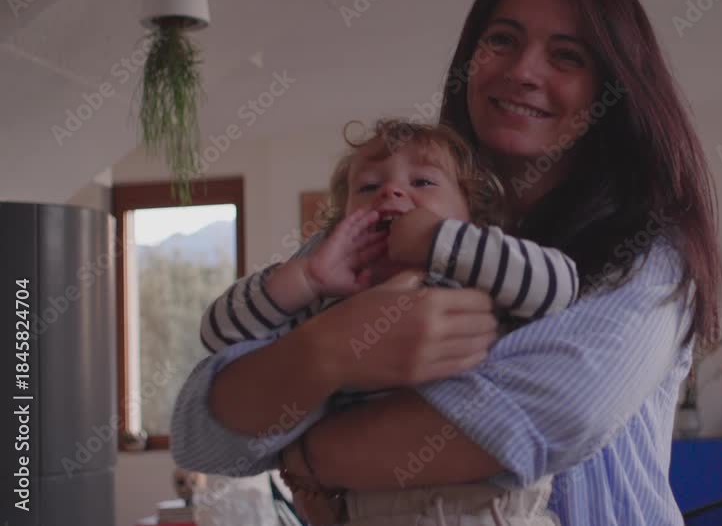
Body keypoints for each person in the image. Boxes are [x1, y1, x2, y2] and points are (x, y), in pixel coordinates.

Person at [170, 0, 722, 524]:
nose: (523, 71)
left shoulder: (648, 252)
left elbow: (544, 415)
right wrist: (333, 346)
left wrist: (306, 457)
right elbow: (204, 434)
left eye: (567, 55)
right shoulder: (362, 238)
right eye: (502, 40)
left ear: (611, 89)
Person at [198, 118, 577, 524]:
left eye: (423, 182)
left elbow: (558, 287)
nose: (391, 191)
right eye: (367, 187)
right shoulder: (335, 294)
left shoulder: (483, 273)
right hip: (371, 508)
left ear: (472, 217)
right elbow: (220, 333)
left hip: (492, 507)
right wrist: (305, 279)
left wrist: (437, 239)